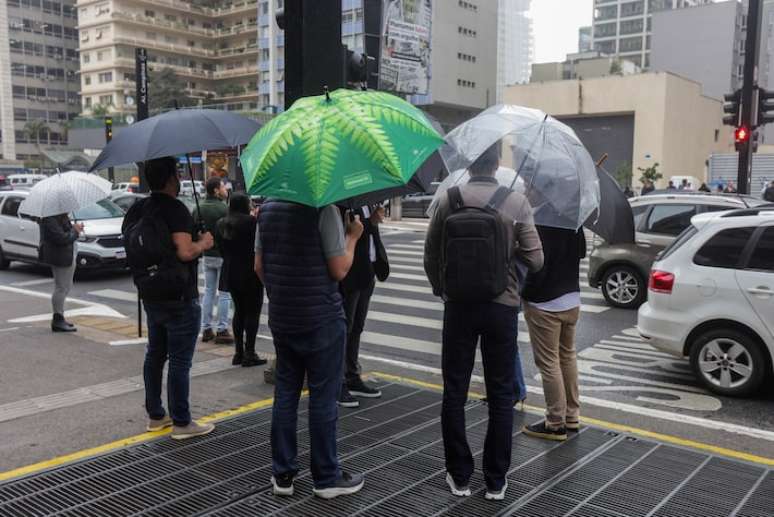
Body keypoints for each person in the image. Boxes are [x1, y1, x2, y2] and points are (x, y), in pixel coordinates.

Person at [424, 143, 543, 501]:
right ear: (496, 164)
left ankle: (459, 476)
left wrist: (442, 289)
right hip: (501, 307)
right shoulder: (516, 201)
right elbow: (536, 260)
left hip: (458, 306)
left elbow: (431, 254)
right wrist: (510, 250)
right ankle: (495, 480)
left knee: (454, 391)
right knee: (501, 392)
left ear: (469, 164)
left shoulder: (448, 199)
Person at [255, 197, 366, 499]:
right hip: (321, 320)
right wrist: (353, 236)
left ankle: (283, 475)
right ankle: (327, 477)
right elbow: (339, 269)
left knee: (285, 394)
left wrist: (282, 293)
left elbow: (259, 266)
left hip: (283, 317)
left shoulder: (267, 209)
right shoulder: (323, 209)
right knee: (323, 398)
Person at [123, 157, 215, 440]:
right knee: (179, 361)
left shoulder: (138, 208)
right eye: (176, 173)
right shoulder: (175, 209)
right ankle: (182, 422)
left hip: (150, 292)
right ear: (172, 178)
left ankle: (156, 415)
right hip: (179, 295)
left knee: (155, 355)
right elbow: (185, 252)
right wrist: (204, 243)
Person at [521, 227, 585, 442]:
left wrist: (525, 293)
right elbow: (581, 252)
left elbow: (538, 265)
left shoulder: (542, 224)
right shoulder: (573, 222)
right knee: (567, 356)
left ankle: (555, 422)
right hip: (571, 298)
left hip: (545, 302)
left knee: (549, 362)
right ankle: (571, 415)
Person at [337, 204, 389, 408]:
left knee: (357, 327)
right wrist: (370, 222)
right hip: (351, 274)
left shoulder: (369, 203)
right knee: (345, 329)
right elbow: (348, 233)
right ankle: (339, 382)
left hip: (368, 272)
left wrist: (372, 222)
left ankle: (352, 375)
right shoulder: (346, 203)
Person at [215, 193, 267, 368]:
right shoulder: (251, 222)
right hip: (249, 271)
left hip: (230, 271)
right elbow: (258, 244)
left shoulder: (221, 223)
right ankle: (250, 352)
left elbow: (221, 249)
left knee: (239, 311)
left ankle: (238, 352)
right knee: (252, 312)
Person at [196, 177, 233, 344]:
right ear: (216, 190)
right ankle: (222, 329)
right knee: (224, 293)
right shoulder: (224, 208)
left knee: (209, 291)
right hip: (223, 255)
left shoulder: (199, 208)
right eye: (223, 187)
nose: (226, 189)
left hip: (206, 254)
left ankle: (206, 328)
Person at [39, 212, 83, 332]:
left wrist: (74, 228)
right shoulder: (50, 219)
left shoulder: (60, 216)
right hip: (60, 257)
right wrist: (75, 231)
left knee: (65, 287)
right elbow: (61, 238)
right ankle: (57, 319)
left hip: (66, 255)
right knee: (61, 288)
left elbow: (65, 232)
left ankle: (60, 317)